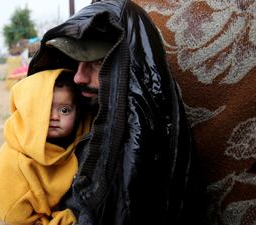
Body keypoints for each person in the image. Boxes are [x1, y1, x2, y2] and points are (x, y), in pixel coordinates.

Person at [27, 0, 207, 224]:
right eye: (77, 63)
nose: (78, 78)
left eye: (98, 63)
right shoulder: (79, 119)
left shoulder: (145, 147)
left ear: (130, 67)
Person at [0, 69, 91, 225]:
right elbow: (12, 212)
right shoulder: (16, 159)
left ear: (78, 113)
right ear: (29, 112)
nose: (54, 117)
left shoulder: (85, 135)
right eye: (43, 109)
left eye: (64, 110)